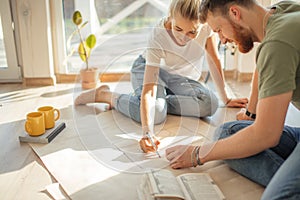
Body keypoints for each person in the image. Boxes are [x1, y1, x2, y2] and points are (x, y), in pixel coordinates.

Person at [165, 0, 300, 199]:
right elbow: (262, 67)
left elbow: (267, 134)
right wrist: (250, 112)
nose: (223, 40)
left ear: (235, 13)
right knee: (227, 132)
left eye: (219, 30)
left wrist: (197, 154)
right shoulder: (284, 11)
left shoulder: (277, 43)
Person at [74, 0, 248, 154]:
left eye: (191, 33)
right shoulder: (158, 35)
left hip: (178, 77)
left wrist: (226, 97)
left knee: (210, 104)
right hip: (148, 69)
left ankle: (161, 101)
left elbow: (213, 58)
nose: (182, 37)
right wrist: (146, 132)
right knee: (156, 114)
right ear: (170, 17)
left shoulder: (207, 26)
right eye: (178, 28)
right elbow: (149, 89)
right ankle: (106, 95)